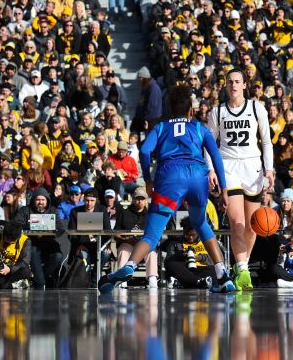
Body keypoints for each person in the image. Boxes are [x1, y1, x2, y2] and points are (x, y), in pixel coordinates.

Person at [99, 84, 235, 293]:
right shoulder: (199, 127)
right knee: (200, 223)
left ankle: (129, 266)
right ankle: (223, 276)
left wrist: (148, 179)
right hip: (197, 176)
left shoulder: (161, 127)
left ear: (169, 109)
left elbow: (144, 151)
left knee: (152, 235)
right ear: (191, 110)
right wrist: (224, 190)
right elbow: (216, 155)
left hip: (169, 176)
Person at [207, 69, 274, 290]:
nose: (233, 85)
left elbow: (266, 142)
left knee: (253, 226)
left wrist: (269, 169)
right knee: (238, 224)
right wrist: (211, 170)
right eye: (229, 82)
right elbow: (209, 144)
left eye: (237, 81)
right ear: (225, 85)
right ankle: (244, 269)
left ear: (245, 85)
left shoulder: (257, 108)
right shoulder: (217, 112)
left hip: (253, 168)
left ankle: (240, 265)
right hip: (229, 168)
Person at [13, 187, 67, 290]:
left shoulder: (52, 210)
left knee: (58, 256)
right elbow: (17, 224)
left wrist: (50, 230)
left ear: (47, 200)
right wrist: (32, 227)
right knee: (32, 251)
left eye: (43, 200)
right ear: (33, 200)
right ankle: (40, 283)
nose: (40, 202)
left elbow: (60, 227)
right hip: (31, 242)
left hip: (48, 242)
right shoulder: (25, 210)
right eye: (38, 199)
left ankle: (39, 278)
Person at [163, 220, 213, 289]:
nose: (190, 238)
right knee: (171, 264)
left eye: (193, 235)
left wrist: (200, 258)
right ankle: (199, 281)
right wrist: (178, 255)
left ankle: (188, 282)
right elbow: (167, 263)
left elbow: (214, 260)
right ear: (183, 231)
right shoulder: (175, 243)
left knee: (214, 269)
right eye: (187, 235)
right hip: (185, 270)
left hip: (202, 269)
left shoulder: (206, 242)